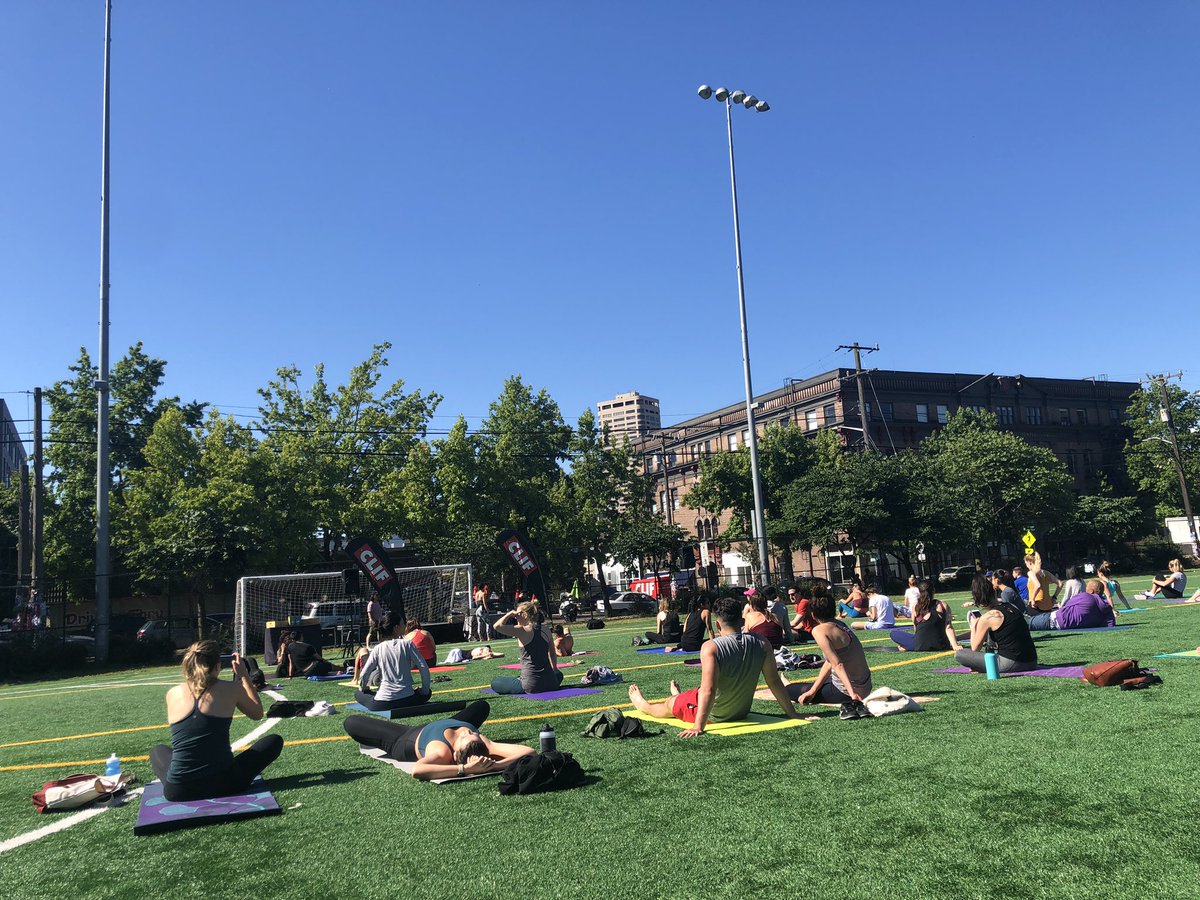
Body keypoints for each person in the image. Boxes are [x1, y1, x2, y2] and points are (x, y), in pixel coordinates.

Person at [626, 596, 802, 738]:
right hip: (741, 712)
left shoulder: (711, 647)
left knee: (669, 705)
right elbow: (774, 682)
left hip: (715, 715)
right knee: (689, 696)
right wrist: (793, 714)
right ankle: (680, 696)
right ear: (742, 621)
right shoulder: (762, 643)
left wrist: (698, 726)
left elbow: (708, 690)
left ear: (717, 625)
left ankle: (644, 705)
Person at [149, 641, 283, 802]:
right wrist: (244, 675)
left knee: (157, 751)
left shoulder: (172, 693)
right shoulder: (231, 688)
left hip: (178, 791)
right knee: (274, 741)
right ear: (218, 666)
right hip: (226, 783)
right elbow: (257, 714)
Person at [344, 699, 535, 780]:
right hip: (438, 725)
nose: (468, 732)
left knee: (351, 722)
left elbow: (418, 770)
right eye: (473, 733)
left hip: (405, 739)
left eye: (466, 736)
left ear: (455, 754)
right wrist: (495, 766)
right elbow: (529, 752)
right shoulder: (480, 742)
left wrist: (465, 769)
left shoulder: (441, 752)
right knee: (482, 705)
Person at [791, 585, 874, 717]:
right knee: (812, 687)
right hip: (865, 686)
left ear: (813, 615)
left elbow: (837, 664)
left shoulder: (819, 630)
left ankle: (789, 686)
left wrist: (853, 695)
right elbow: (830, 662)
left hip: (848, 691)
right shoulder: (841, 624)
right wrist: (813, 690)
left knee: (790, 690)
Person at [955, 575, 1037, 674]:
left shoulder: (988, 618)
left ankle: (982, 667)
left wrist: (973, 627)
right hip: (1032, 661)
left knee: (960, 654)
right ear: (994, 592)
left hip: (1010, 663)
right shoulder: (1011, 606)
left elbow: (974, 648)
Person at [355, 612, 432, 712]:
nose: (405, 626)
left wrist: (364, 688)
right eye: (402, 623)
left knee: (358, 693)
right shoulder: (407, 644)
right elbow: (423, 667)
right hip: (408, 700)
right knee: (428, 693)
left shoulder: (378, 648)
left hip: (382, 704)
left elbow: (365, 673)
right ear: (396, 628)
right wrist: (424, 691)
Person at [490, 600, 563, 694]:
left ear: (524, 615)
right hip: (551, 683)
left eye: (517, 615)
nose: (516, 617)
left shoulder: (522, 630)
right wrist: (555, 669)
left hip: (531, 685)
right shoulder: (546, 629)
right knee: (558, 674)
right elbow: (552, 653)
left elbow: (497, 626)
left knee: (495, 682)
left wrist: (509, 614)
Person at [891, 579, 957, 652]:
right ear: (933, 591)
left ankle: (908, 646)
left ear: (919, 592)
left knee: (893, 633)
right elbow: (948, 627)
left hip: (920, 645)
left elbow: (916, 628)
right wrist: (955, 646)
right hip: (941, 644)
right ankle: (909, 646)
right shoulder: (942, 605)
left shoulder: (915, 607)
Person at [1028, 580, 1116, 630]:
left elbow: (1067, 606)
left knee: (1028, 623)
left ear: (1091, 591)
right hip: (1065, 625)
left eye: (1087, 588)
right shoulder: (1107, 608)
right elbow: (1110, 625)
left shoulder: (1085, 596)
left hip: (1055, 620)